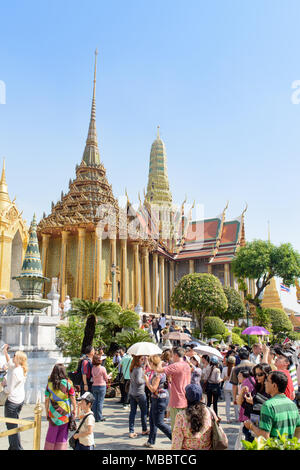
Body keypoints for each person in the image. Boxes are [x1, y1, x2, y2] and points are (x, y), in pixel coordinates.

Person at [244, 371, 300, 440]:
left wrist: (251, 426)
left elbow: (264, 436)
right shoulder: (292, 404)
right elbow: (298, 429)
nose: (265, 383)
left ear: (274, 385)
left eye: (267, 380)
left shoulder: (268, 406)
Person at [171, 383, 228, 450]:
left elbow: (176, 441)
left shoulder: (181, 416)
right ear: (201, 398)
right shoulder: (210, 412)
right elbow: (219, 432)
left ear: (186, 397)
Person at [154, 347, 191, 431]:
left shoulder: (175, 365)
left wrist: (160, 362)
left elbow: (158, 370)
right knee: (184, 426)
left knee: (176, 427)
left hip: (177, 399)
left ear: (175, 355)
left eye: (172, 355)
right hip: (186, 398)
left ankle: (176, 443)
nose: (172, 357)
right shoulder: (187, 365)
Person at [44, 363, 76, 450]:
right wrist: (75, 409)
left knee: (51, 433)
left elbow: (46, 400)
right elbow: (73, 397)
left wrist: (47, 412)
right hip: (64, 411)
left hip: (53, 411)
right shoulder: (68, 383)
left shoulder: (49, 384)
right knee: (63, 434)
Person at [2, 345, 28, 450]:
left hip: (12, 401)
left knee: (11, 427)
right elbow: (10, 364)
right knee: (14, 425)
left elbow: (9, 389)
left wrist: (3, 385)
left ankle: (16, 447)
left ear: (18, 359)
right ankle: (14, 447)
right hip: (19, 400)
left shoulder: (16, 372)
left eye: (14, 356)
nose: (13, 357)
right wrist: (5, 352)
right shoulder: (21, 368)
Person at [144, 355, 172, 448]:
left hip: (159, 398)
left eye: (150, 362)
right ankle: (151, 441)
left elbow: (153, 389)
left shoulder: (158, 374)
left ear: (153, 363)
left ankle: (175, 438)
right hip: (157, 398)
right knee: (152, 420)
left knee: (159, 422)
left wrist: (147, 381)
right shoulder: (158, 371)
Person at [128, 355, 149, 438]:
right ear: (138, 360)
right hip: (139, 392)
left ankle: (131, 430)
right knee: (143, 412)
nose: (143, 360)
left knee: (132, 412)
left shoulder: (132, 368)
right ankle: (144, 429)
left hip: (132, 392)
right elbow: (139, 381)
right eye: (142, 359)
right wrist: (145, 379)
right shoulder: (139, 369)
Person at [91, 354, 111, 422]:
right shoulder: (102, 368)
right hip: (102, 386)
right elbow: (106, 378)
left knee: (95, 402)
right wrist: (109, 376)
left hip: (94, 386)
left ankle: (95, 416)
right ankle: (99, 417)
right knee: (100, 402)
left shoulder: (93, 368)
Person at [221, 355, 239, 423]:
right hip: (233, 386)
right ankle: (237, 417)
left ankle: (228, 419)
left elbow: (222, 378)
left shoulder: (224, 369)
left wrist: (226, 378)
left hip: (226, 386)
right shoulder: (236, 369)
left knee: (227, 403)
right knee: (235, 402)